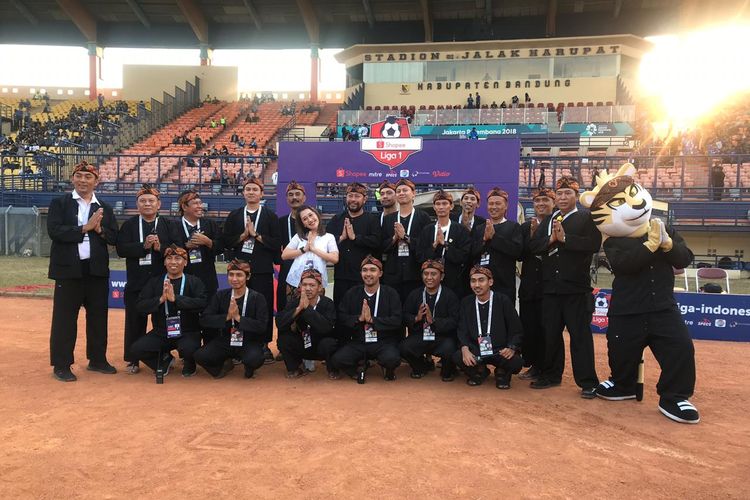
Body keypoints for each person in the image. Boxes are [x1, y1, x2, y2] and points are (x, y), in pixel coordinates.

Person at [579, 163, 699, 423]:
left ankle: (675, 396)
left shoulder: (664, 228)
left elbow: (684, 259)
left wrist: (666, 243)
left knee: (680, 349)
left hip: (662, 307)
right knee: (621, 351)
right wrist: (650, 245)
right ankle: (623, 384)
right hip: (628, 308)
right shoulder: (613, 242)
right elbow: (625, 265)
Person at [528, 176, 601, 398]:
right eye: (559, 194)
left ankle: (588, 382)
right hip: (550, 289)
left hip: (576, 289)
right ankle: (551, 375)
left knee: (580, 337)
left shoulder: (587, 218)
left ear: (576, 196)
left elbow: (594, 244)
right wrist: (550, 241)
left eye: (567, 193)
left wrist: (566, 239)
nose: (562, 197)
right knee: (551, 335)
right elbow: (533, 247)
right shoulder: (550, 219)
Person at [47, 161, 119, 382]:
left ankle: (97, 359)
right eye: (79, 176)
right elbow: (55, 231)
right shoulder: (60, 203)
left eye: (88, 177)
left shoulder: (104, 208)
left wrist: (100, 229)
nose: (83, 180)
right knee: (64, 319)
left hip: (96, 270)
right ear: (73, 179)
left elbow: (114, 237)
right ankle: (61, 364)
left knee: (98, 316)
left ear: (96, 181)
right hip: (68, 270)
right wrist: (83, 228)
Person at [116, 185, 177, 374]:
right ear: (137, 205)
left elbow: (178, 248)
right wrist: (143, 246)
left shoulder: (168, 224)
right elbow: (121, 249)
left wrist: (161, 248)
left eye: (151, 201)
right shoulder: (130, 225)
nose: (147, 204)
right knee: (135, 321)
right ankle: (133, 359)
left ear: (159, 204)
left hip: (162, 282)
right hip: (137, 281)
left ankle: (164, 355)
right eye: (143, 201)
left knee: (162, 322)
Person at [222, 177, 280, 362]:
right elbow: (226, 241)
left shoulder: (270, 216)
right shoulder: (234, 215)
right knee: (239, 306)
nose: (251, 192)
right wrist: (243, 236)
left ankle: (264, 344)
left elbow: (276, 243)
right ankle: (238, 343)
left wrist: (257, 236)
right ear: (243, 193)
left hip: (262, 269)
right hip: (239, 271)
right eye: (248, 189)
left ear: (262, 193)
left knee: (263, 306)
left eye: (255, 189)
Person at [132, 245, 208, 378]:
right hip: (161, 331)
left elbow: (202, 304)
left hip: (187, 331)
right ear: (164, 262)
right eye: (169, 258)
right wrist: (160, 299)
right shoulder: (155, 282)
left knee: (189, 349)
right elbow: (140, 306)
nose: (173, 262)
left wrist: (176, 299)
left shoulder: (194, 281)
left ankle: (190, 364)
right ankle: (164, 361)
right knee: (136, 349)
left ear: (185, 262)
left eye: (178, 258)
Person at [194, 259, 268, 379]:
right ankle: (222, 367)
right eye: (231, 275)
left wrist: (238, 318)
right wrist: (227, 317)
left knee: (255, 359)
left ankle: (249, 369)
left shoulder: (257, 298)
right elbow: (204, 320)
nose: (234, 279)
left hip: (248, 340)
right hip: (225, 340)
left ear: (248, 277)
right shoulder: (220, 296)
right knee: (200, 356)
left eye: (239, 275)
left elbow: (262, 326)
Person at [332, 256, 403, 381]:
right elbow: (342, 316)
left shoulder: (391, 293)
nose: (368, 274)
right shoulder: (352, 293)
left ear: (380, 273)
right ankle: (356, 370)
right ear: (360, 273)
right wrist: (359, 318)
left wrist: (372, 320)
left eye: (372, 270)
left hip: (383, 341)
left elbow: (397, 320)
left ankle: (387, 369)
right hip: (359, 340)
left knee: (392, 359)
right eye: (365, 270)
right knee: (338, 360)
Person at [453, 266, 524, 389]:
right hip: (477, 350)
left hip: (500, 351)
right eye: (473, 281)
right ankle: (480, 371)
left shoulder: (503, 300)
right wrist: (464, 348)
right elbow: (462, 329)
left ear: (490, 282)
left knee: (516, 362)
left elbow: (516, 329)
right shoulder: (466, 302)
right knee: (458, 356)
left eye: (481, 280)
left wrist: (511, 348)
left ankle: (502, 372)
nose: (477, 285)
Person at [172, 190, 222, 341]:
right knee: (187, 318)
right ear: (184, 206)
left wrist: (208, 242)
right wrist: (184, 247)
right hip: (183, 280)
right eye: (195, 203)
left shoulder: (210, 224)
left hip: (207, 278)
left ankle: (211, 351)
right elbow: (168, 249)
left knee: (210, 316)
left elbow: (222, 247)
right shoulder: (173, 225)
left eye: (200, 203)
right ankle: (188, 354)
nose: (200, 206)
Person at [517, 187, 555, 381]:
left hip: (550, 288)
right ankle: (532, 365)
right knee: (529, 329)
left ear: (553, 203)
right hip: (529, 287)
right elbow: (520, 255)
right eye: (538, 201)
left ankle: (546, 368)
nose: (541, 204)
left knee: (547, 330)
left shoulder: (557, 224)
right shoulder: (525, 227)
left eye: (545, 200)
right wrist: (531, 238)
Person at [400, 260, 460, 381]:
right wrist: (416, 318)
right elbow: (405, 315)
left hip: (442, 337)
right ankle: (420, 367)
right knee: (404, 347)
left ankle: (448, 370)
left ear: (442, 276)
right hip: (421, 335)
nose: (429, 277)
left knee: (450, 348)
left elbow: (455, 321)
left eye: (433, 274)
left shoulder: (450, 296)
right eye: (426, 274)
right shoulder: (415, 294)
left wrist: (433, 321)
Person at [325, 182, 382, 308]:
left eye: (357, 196)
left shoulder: (372, 220)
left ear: (365, 199)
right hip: (341, 276)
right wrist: (341, 238)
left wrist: (355, 238)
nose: (353, 199)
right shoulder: (337, 219)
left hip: (364, 278)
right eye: (350, 196)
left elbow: (377, 242)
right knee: (341, 311)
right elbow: (326, 243)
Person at [276, 269, 340, 379]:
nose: (308, 289)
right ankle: (295, 368)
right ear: (300, 287)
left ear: (320, 288)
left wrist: (307, 310)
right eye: (304, 285)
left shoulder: (327, 303)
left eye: (312, 285)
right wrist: (298, 309)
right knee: (284, 339)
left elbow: (327, 328)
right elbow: (280, 323)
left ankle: (332, 369)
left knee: (330, 343)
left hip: (320, 346)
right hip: (302, 344)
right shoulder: (295, 302)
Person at [381, 179, 431, 303]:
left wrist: (405, 237)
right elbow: (381, 246)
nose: (401, 193)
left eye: (405, 190)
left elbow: (425, 246)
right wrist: (394, 239)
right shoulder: (389, 219)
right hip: (392, 275)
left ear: (413, 193)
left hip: (415, 274)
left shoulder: (423, 217)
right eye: (398, 191)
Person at [470, 188, 522, 301]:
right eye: (491, 203)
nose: (494, 207)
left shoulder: (513, 227)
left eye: (498, 203)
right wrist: (484, 240)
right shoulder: (479, 228)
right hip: (481, 286)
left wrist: (494, 238)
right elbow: (472, 253)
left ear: (506, 206)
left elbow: (517, 252)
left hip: (504, 285)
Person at [416, 190, 471, 291]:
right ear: (434, 207)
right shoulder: (427, 230)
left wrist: (445, 244)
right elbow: (420, 256)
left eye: (445, 203)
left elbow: (464, 256)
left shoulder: (460, 230)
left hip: (454, 282)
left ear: (451, 206)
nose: (441, 207)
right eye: (438, 204)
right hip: (430, 281)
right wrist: (435, 245)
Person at [281, 205, 339, 295]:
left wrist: (313, 249)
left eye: (311, 215)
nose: (310, 220)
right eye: (305, 219)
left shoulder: (328, 237)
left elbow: (334, 258)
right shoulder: (298, 236)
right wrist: (304, 249)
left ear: (316, 214)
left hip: (317, 283)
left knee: (315, 308)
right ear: (303, 223)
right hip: (296, 282)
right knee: (294, 308)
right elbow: (284, 255)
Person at [277, 181, 307, 314]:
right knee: (285, 309)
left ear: (304, 197)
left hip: (308, 270)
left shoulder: (312, 221)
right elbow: (275, 248)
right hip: (287, 270)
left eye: (297, 194)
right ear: (287, 199)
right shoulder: (281, 222)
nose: (294, 197)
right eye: (291, 194)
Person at [452, 187, 486, 297]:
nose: (469, 201)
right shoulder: (451, 219)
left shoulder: (482, 223)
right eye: (466, 198)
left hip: (472, 270)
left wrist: (467, 228)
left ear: (478, 204)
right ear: (461, 202)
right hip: (453, 268)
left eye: (472, 199)